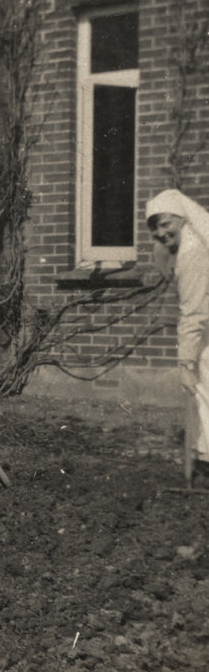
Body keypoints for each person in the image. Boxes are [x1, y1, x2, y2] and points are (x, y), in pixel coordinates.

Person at [146, 189, 209, 481]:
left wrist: (185, 365)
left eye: (166, 223)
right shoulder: (192, 243)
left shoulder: (192, 250)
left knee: (201, 385)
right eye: (155, 227)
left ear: (182, 219)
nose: (161, 232)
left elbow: (193, 313)